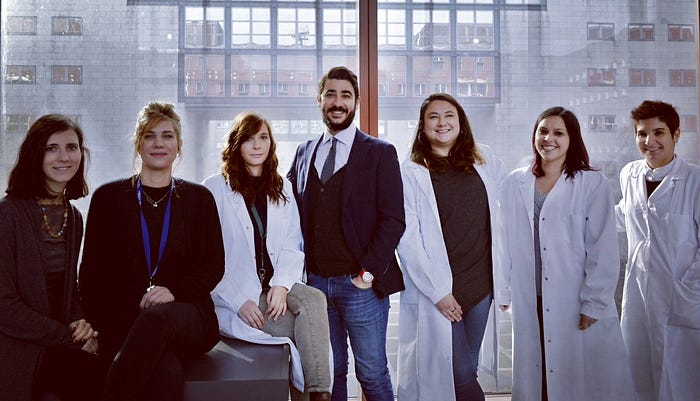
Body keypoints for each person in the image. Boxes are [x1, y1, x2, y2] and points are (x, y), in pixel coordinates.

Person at [79, 102, 225, 401]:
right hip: (124, 318)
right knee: (165, 372)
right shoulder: (108, 198)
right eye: (149, 135)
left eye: (167, 136)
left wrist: (173, 290)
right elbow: (91, 273)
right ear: (138, 144)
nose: (159, 143)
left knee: (156, 319)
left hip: (187, 316)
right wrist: (94, 326)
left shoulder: (199, 199)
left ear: (179, 144)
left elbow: (213, 266)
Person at [496, 107, 635, 401]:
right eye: (543, 131)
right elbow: (502, 241)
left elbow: (602, 247)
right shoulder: (513, 183)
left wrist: (594, 301)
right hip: (529, 294)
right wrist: (503, 289)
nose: (549, 139)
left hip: (573, 297)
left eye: (558, 133)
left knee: (576, 379)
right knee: (538, 375)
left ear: (572, 139)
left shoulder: (591, 183)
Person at [287, 66, 405, 401]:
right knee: (331, 372)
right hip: (316, 287)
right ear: (319, 99)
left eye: (346, 95)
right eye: (330, 94)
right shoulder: (304, 152)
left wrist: (367, 274)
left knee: (372, 373)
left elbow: (394, 219)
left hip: (361, 287)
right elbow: (286, 210)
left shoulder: (380, 152)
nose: (337, 102)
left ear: (356, 102)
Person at [203, 111, 332, 401]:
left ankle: (319, 393)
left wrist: (282, 285)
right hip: (238, 296)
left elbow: (292, 242)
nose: (257, 145)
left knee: (314, 299)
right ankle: (318, 393)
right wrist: (239, 301)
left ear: (271, 143)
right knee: (304, 334)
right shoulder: (214, 189)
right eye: (248, 138)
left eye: (263, 137)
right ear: (236, 144)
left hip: (274, 289)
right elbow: (206, 257)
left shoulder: (281, 186)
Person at [395, 93, 504, 401]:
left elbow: (505, 210)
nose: (441, 122)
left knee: (468, 369)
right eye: (433, 117)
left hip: (480, 285)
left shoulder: (484, 159)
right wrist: (438, 292)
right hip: (439, 289)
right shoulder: (412, 171)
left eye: (449, 116)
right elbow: (407, 239)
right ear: (422, 126)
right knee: (459, 373)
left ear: (461, 122)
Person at [0, 114, 102, 401]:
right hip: (15, 343)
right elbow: (4, 306)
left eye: (71, 147)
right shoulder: (8, 214)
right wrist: (67, 337)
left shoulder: (73, 216)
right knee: (91, 375)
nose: (64, 157)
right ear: (36, 155)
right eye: (51, 148)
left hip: (56, 338)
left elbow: (68, 289)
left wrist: (80, 324)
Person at [615, 100, 700, 401]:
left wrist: (689, 288)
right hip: (639, 293)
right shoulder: (629, 174)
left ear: (676, 135)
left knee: (682, 377)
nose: (649, 141)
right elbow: (623, 216)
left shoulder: (695, 180)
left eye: (658, 132)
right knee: (639, 373)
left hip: (683, 297)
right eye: (642, 133)